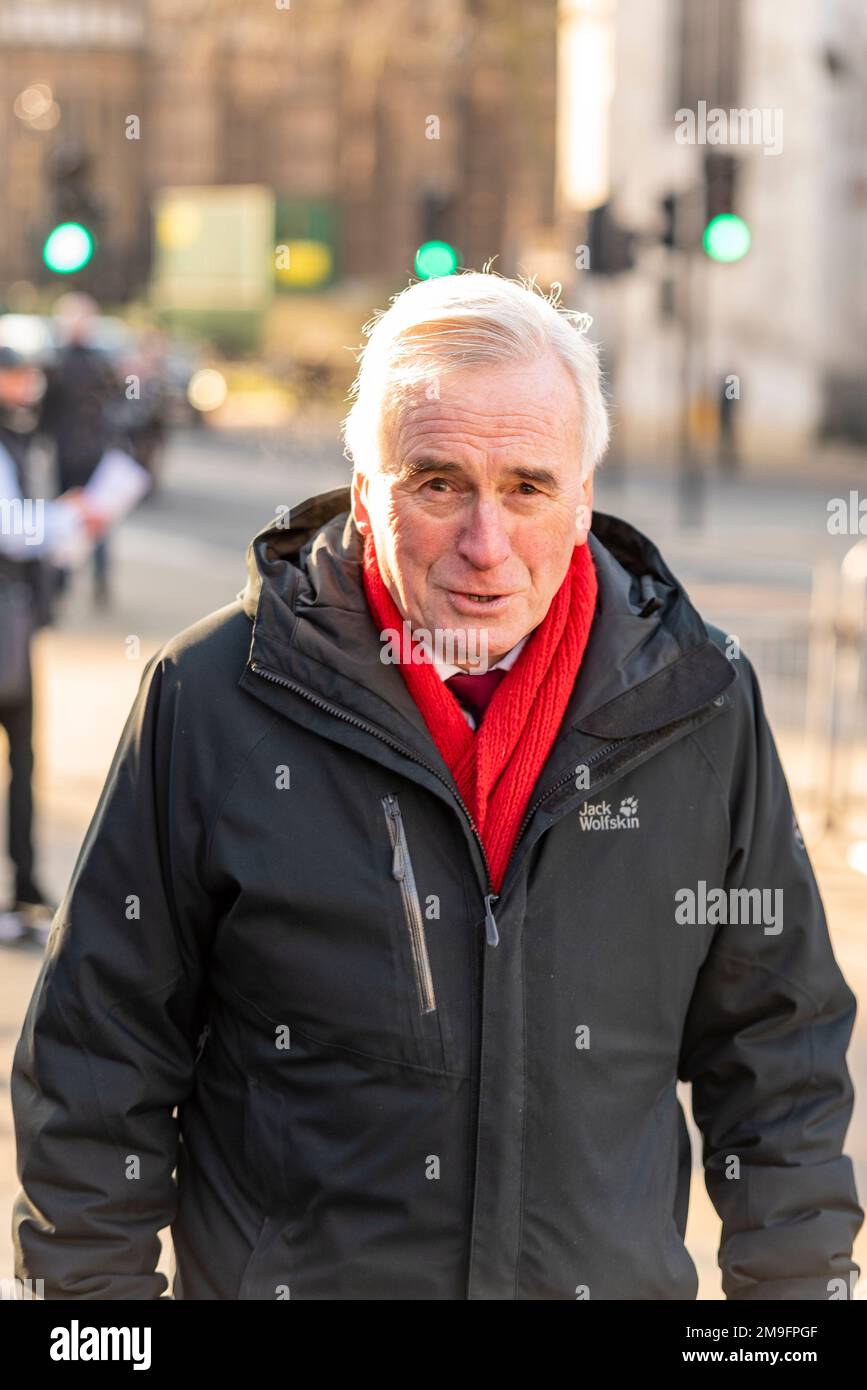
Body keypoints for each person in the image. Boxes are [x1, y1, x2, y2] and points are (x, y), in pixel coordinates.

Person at [11, 272, 863, 1300]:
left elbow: (778, 1057)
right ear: (367, 493)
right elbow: (98, 1063)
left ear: (584, 495)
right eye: (439, 483)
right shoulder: (209, 699)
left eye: (528, 487)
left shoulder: (702, 704)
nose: (486, 545)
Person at [0, 346, 105, 945]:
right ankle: (22, 891)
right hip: (7, 625)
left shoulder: (24, 437)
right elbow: (13, 531)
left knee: (25, 759)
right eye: (16, 376)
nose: (28, 386)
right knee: (20, 756)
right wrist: (65, 518)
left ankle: (25, 888)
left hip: (17, 622)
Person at [39, 292, 124, 607]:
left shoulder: (57, 363)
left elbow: (44, 412)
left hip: (72, 452)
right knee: (94, 518)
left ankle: (62, 582)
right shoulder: (99, 363)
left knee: (72, 515)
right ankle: (87, 581)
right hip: (89, 452)